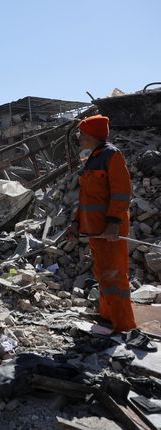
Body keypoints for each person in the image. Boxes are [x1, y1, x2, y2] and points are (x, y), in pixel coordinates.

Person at [66, 115, 135, 332]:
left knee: (115, 276)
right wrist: (75, 223)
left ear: (93, 135)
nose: (79, 138)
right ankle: (108, 317)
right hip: (96, 231)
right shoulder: (92, 159)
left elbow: (122, 193)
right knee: (104, 274)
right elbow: (86, 198)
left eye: (82, 134)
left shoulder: (112, 156)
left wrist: (114, 222)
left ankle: (124, 326)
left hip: (110, 230)